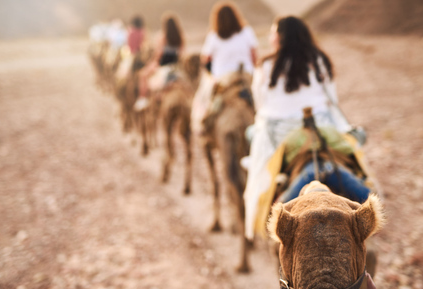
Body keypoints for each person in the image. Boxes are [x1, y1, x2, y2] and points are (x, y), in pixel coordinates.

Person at [244, 16, 366, 240]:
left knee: (257, 168)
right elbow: (332, 102)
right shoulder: (320, 60)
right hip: (321, 129)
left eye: (273, 33)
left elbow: (260, 107)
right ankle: (369, 200)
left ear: (280, 37)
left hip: (282, 135)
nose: (271, 38)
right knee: (360, 159)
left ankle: (265, 219)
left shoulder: (266, 65)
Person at [191, 1, 258, 132]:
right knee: (260, 101)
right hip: (246, 76)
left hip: (223, 80)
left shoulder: (214, 36)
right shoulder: (247, 32)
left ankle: (204, 128)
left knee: (204, 102)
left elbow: (205, 60)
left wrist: (211, 72)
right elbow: (254, 57)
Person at [134, 14, 184, 110]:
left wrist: (151, 64)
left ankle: (142, 99)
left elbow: (158, 55)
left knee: (143, 75)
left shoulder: (163, 37)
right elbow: (181, 53)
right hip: (175, 66)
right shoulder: (180, 37)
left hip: (163, 66)